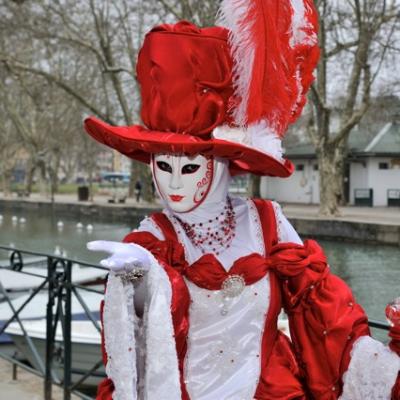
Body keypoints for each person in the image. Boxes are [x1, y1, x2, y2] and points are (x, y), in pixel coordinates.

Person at [84, 1, 400, 399]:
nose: (175, 184)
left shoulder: (267, 222)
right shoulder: (153, 240)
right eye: (163, 167)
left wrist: (377, 366)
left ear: (220, 165)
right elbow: (142, 332)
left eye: (190, 168)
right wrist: (138, 279)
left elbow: (321, 312)